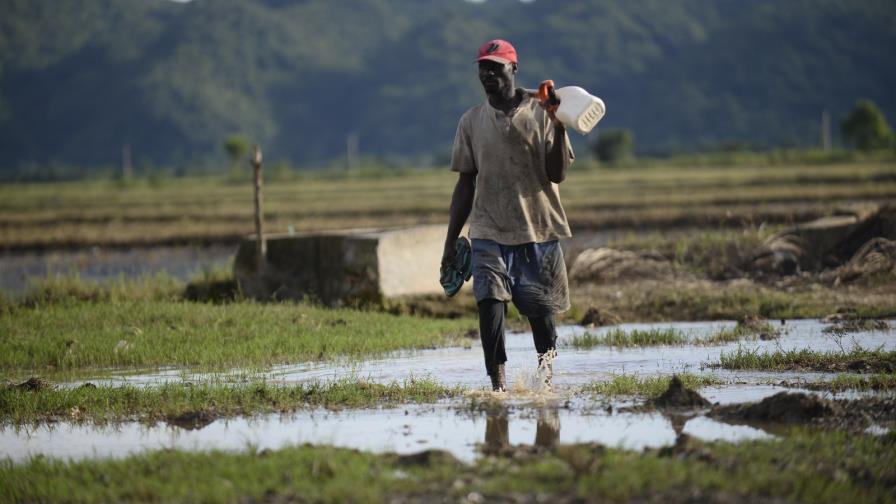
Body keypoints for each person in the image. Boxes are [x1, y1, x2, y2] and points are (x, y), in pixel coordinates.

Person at [442, 39, 574, 392]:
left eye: (495, 66)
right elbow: (465, 184)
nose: (487, 73)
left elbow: (558, 174)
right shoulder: (471, 121)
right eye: (482, 67)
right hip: (488, 229)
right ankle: (498, 386)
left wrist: (559, 124)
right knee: (489, 305)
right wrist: (450, 241)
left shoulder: (542, 113)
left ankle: (546, 383)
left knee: (541, 317)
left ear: (513, 69)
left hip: (537, 228)